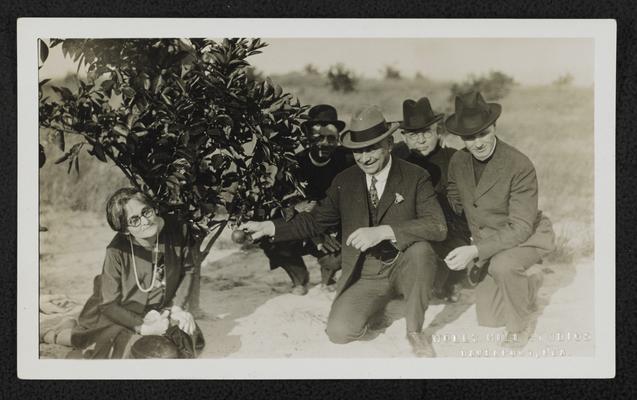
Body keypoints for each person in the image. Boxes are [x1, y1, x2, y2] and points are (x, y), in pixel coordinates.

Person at [241, 105, 447, 357]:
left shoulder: (416, 176)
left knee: (421, 251)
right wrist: (270, 226)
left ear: (389, 144)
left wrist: (385, 231)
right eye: (359, 151)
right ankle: (379, 307)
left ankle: (414, 331)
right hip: (366, 272)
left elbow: (437, 226)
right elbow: (315, 221)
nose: (365, 158)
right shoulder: (345, 180)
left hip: (405, 265)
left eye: (372, 148)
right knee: (339, 333)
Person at [443, 92, 555, 348]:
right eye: (469, 138)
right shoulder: (458, 160)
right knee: (490, 319)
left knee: (503, 266)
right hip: (488, 240)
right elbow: (453, 192)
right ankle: (530, 284)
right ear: (462, 138)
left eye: (483, 133)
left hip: (525, 237)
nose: (478, 143)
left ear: (494, 126)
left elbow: (521, 227)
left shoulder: (519, 164)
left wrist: (475, 250)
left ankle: (519, 329)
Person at [40, 188, 199, 359]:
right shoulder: (115, 251)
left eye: (146, 212)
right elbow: (108, 304)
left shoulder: (179, 229)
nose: (145, 221)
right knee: (101, 346)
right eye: (134, 220)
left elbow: (188, 269)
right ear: (124, 230)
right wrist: (144, 328)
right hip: (120, 309)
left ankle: (73, 327)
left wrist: (178, 309)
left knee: (186, 342)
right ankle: (57, 334)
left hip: (159, 309)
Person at [259, 104, 353, 295]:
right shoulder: (294, 163)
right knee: (271, 237)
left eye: (330, 139)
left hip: (332, 223)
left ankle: (328, 276)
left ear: (338, 141)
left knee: (336, 255)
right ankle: (299, 277)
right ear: (307, 137)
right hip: (301, 224)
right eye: (317, 137)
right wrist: (298, 209)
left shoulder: (347, 161)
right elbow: (279, 202)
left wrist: (326, 231)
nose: (324, 144)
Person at [395, 97, 472, 302]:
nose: (421, 141)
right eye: (413, 135)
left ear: (437, 130)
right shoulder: (399, 159)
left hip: (449, 231)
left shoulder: (454, 158)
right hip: (411, 231)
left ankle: (450, 280)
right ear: (404, 137)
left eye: (426, 133)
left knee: (444, 274)